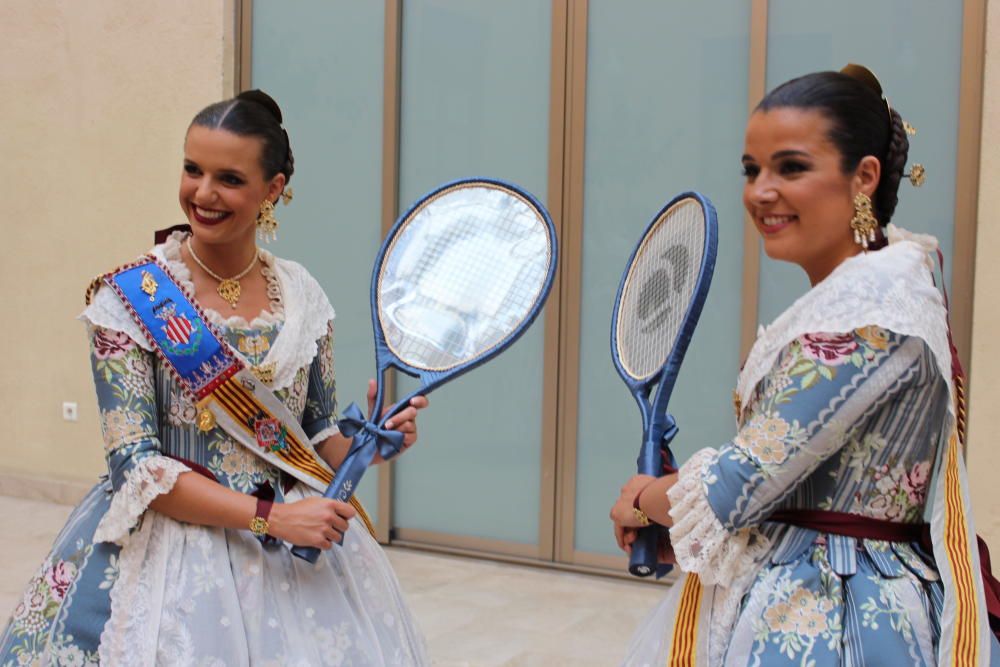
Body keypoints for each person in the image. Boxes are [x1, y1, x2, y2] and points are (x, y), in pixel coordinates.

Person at [0, 90, 429, 666]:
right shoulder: (131, 300)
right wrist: (272, 518)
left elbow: (314, 437)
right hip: (173, 550)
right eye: (192, 169)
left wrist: (370, 443)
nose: (202, 194)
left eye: (228, 178)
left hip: (297, 549)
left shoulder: (302, 296)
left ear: (273, 190)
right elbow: (138, 467)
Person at [611, 65, 999, 665]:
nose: (760, 191)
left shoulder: (872, 314)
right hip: (802, 582)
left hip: (831, 618)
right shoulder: (871, 293)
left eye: (791, 167)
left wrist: (644, 496)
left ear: (863, 176)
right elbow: (787, 484)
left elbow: (734, 489)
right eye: (752, 169)